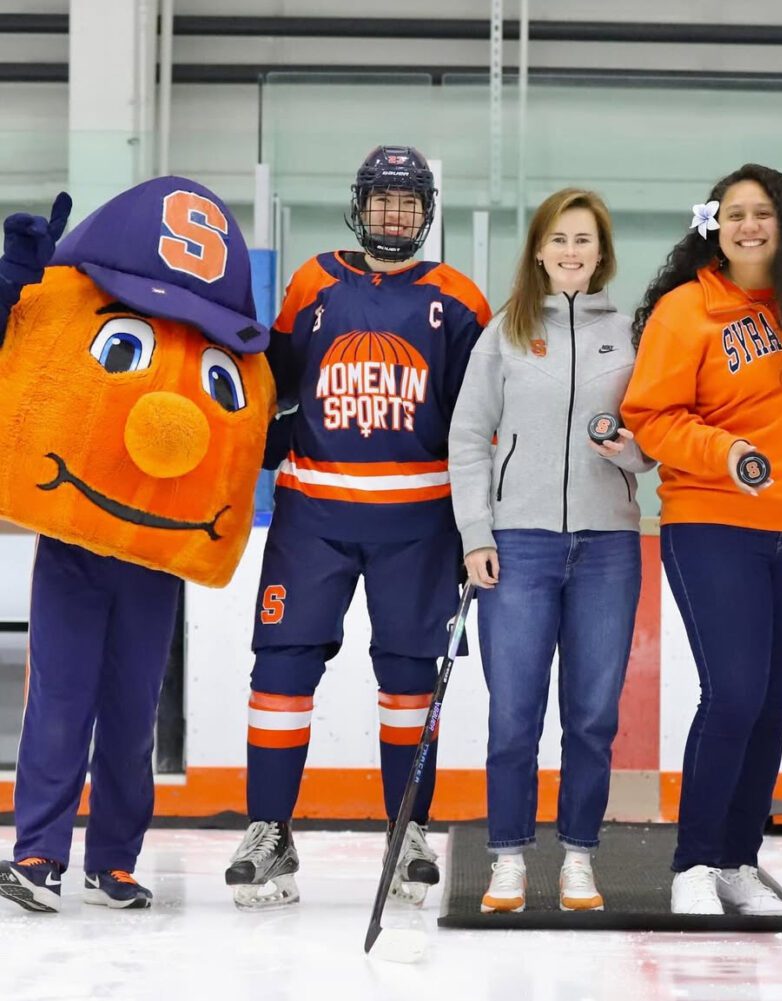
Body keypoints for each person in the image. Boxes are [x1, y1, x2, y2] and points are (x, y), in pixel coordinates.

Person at [224, 145, 490, 909]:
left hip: (419, 523)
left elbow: (479, 424)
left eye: (409, 202)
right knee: (279, 674)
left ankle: (407, 829)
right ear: (360, 204)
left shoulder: (460, 301)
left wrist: (479, 524)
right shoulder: (314, 281)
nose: (394, 214)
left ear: (426, 213)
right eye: (383, 199)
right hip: (312, 516)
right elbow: (271, 385)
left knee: (410, 684)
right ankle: (269, 828)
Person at [0, 177, 275, 913]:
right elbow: (21, 355)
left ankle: (113, 859)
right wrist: (9, 286)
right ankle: (38, 851)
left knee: (131, 713)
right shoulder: (81, 304)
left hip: (155, 555)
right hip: (75, 543)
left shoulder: (221, 346)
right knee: (58, 701)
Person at [621, 163, 782, 916]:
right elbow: (650, 416)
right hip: (714, 522)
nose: (748, 225)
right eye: (734, 214)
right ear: (712, 226)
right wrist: (727, 454)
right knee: (734, 694)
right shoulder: (687, 310)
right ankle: (693, 861)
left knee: (773, 702)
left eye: (763, 213)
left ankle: (738, 860)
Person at [448, 188, 653, 913]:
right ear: (539, 248)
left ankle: (578, 857)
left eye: (585, 242)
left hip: (608, 546)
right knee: (513, 713)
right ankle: (506, 856)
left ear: (602, 255)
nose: (571, 252)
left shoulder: (630, 334)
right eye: (560, 239)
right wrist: (477, 534)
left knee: (593, 715)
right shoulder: (505, 331)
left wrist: (630, 451)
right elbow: (469, 435)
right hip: (520, 545)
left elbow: (649, 444)